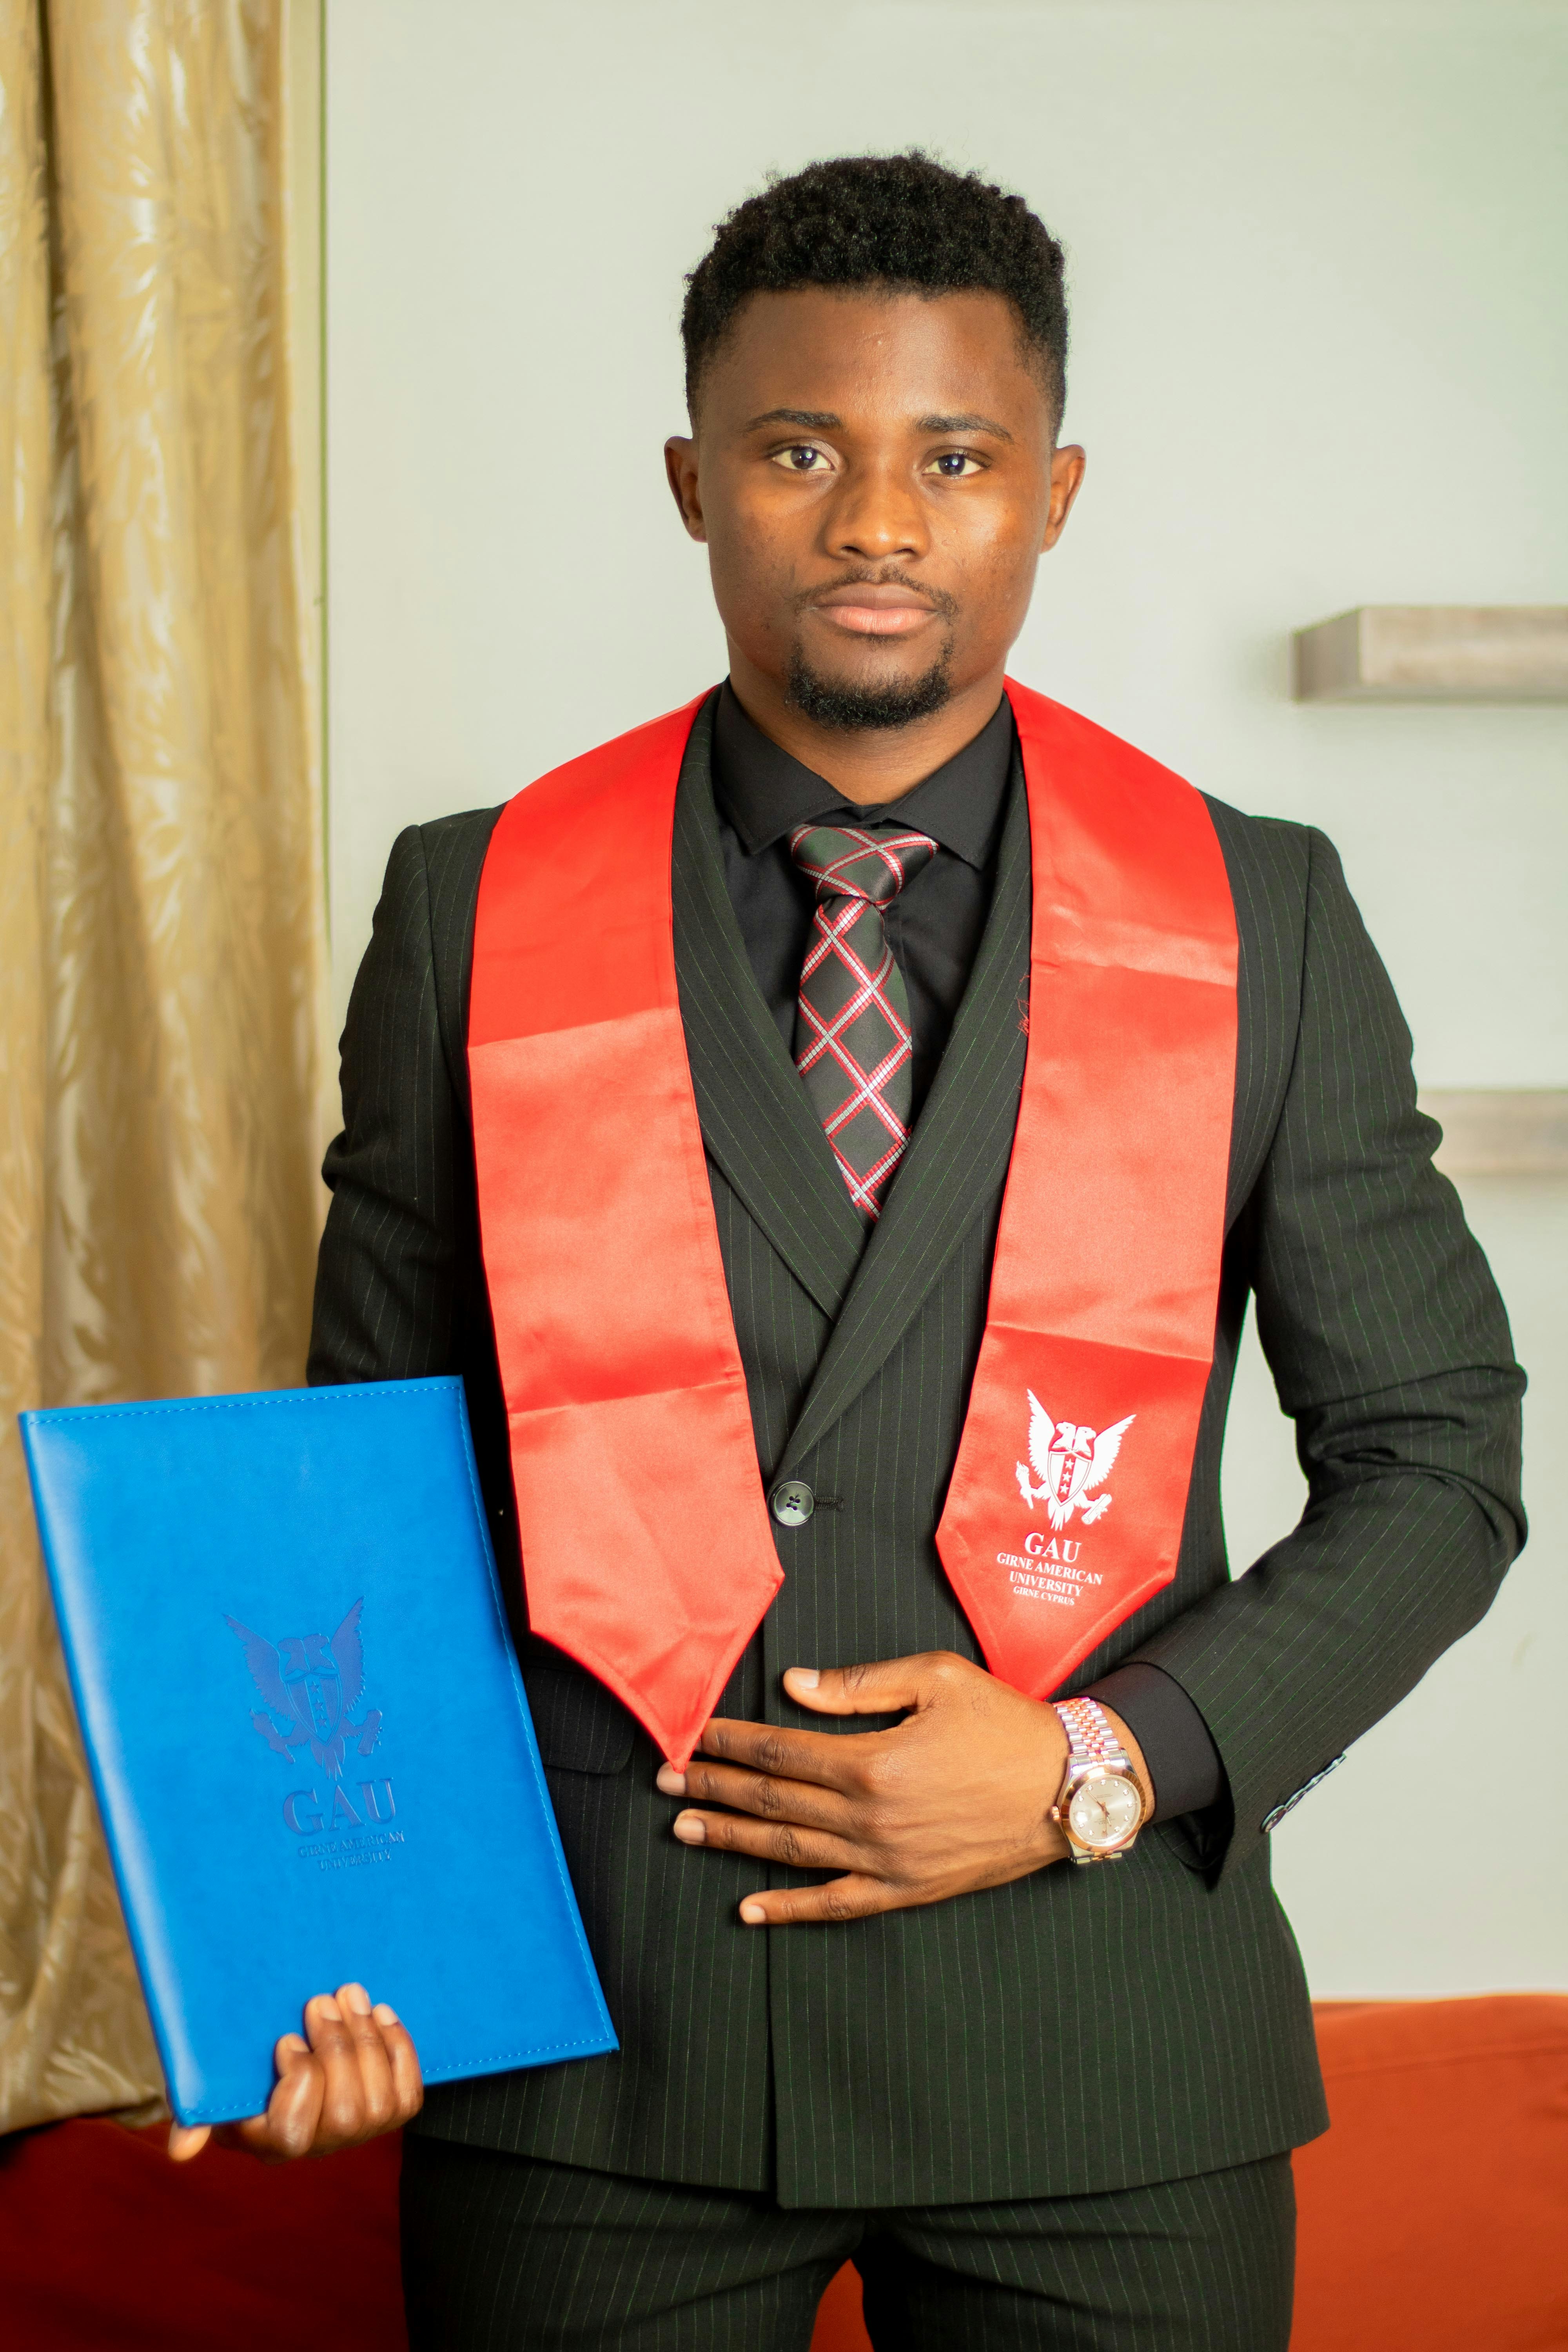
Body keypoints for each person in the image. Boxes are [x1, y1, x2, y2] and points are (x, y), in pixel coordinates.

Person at [178, 154, 1524, 2350]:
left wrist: (1104, 1763)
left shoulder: (1255, 912)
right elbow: (370, 1482)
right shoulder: (474, 900)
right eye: (803, 451)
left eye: (957, 458)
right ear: (695, 479)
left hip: (1102, 2065)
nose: (879, 521)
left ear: (1057, 491)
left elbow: (1442, 1461)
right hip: (594, 2070)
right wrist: (342, 1930)